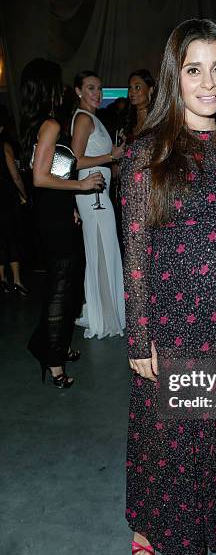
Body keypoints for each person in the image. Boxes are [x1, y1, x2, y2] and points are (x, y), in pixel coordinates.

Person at [121, 18, 216, 555]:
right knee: (174, 438)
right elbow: (133, 251)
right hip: (177, 320)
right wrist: (140, 336)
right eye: (193, 70)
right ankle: (152, 520)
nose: (208, 83)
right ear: (173, 77)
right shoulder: (148, 153)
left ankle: (213, 519)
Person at [20, 58, 103, 388]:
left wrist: (70, 203)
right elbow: (40, 178)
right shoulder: (51, 125)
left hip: (54, 213)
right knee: (61, 287)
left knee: (68, 284)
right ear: (49, 88)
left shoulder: (37, 124)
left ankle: (52, 344)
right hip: (52, 218)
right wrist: (81, 187)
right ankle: (52, 359)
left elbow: (51, 172)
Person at [71, 70, 126, 339]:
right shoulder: (82, 118)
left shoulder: (93, 118)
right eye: (91, 88)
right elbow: (75, 160)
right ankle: (103, 316)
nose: (97, 93)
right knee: (101, 251)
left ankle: (106, 311)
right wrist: (110, 155)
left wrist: (113, 162)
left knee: (106, 250)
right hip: (91, 194)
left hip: (98, 194)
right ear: (78, 91)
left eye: (99, 88)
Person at [0, 104, 29, 295]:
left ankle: (2, 280)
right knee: (12, 236)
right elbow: (15, 175)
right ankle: (17, 280)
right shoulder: (4, 145)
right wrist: (24, 194)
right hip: (5, 196)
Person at [124, 69, 155, 143]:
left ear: (150, 90)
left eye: (137, 87)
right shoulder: (127, 118)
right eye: (130, 88)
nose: (132, 92)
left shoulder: (158, 118)